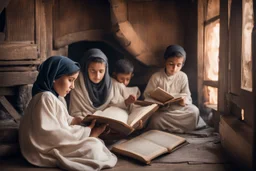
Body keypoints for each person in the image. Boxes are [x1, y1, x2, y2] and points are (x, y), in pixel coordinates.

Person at [19, 56, 117, 171]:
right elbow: (50, 133)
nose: (73, 86)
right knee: (93, 147)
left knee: (95, 145)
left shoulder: (57, 98)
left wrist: (76, 120)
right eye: (70, 80)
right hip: (43, 148)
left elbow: (62, 120)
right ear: (54, 77)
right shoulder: (45, 98)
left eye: (74, 81)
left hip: (56, 141)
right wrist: (88, 132)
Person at [144, 45, 206, 133]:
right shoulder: (156, 77)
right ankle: (176, 128)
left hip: (178, 109)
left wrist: (183, 102)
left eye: (178, 65)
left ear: (182, 65)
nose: (174, 68)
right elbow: (147, 96)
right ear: (165, 61)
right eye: (171, 64)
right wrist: (158, 103)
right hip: (162, 111)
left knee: (194, 111)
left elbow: (187, 96)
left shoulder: (183, 76)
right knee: (155, 119)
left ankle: (171, 128)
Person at [69, 48, 140, 117]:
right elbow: (74, 113)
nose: (97, 76)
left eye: (101, 71)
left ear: (106, 70)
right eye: (93, 71)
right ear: (86, 69)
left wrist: (126, 102)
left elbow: (116, 104)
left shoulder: (112, 84)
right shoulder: (77, 85)